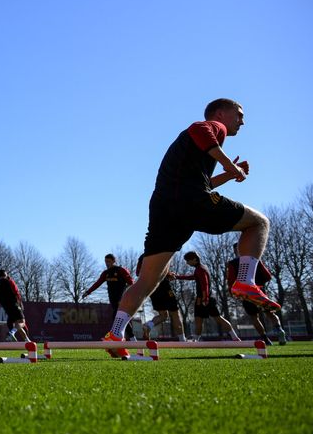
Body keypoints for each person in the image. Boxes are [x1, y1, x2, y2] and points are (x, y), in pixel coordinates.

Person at [103, 98, 279, 357]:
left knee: (149, 279)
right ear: (221, 113)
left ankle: (115, 335)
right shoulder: (211, 127)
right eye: (238, 114)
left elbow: (202, 185)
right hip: (187, 200)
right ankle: (245, 280)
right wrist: (230, 165)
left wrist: (230, 174)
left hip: (165, 207)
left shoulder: (196, 154)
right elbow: (199, 129)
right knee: (259, 222)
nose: (242, 121)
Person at [225, 244, 288, 345]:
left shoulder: (232, 263)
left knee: (254, 317)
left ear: (235, 251)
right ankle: (279, 329)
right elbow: (267, 276)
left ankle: (265, 339)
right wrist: (259, 282)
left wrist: (232, 292)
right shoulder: (255, 260)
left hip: (245, 293)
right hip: (259, 291)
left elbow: (231, 280)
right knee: (270, 313)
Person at [176, 251, 240, 341]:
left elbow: (205, 284)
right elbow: (193, 277)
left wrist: (205, 299)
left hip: (204, 299)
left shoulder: (200, 269)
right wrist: (177, 277)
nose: (187, 263)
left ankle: (235, 337)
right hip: (204, 298)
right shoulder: (201, 268)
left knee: (216, 319)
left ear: (194, 259)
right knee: (199, 320)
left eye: (188, 261)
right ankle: (196, 340)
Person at [84, 254, 137, 339]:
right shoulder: (106, 273)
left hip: (121, 300)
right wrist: (88, 292)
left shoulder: (121, 270)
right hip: (113, 300)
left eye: (108, 261)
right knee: (120, 319)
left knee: (116, 318)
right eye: (105, 262)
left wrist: (125, 292)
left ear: (113, 261)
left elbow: (131, 282)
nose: (107, 263)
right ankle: (130, 339)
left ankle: (120, 338)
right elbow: (97, 283)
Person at [141, 270, 187, 341]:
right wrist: (169, 274)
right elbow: (162, 269)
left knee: (163, 316)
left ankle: (148, 325)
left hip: (153, 290)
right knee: (175, 314)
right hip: (165, 288)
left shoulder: (142, 259)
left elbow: (139, 273)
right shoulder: (159, 258)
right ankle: (182, 340)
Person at [0, 269, 30, 342]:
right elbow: (16, 292)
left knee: (17, 323)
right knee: (22, 322)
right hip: (14, 304)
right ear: (6, 274)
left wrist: (0, 298)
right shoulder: (9, 281)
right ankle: (12, 332)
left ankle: (27, 341)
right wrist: (20, 302)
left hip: (5, 306)